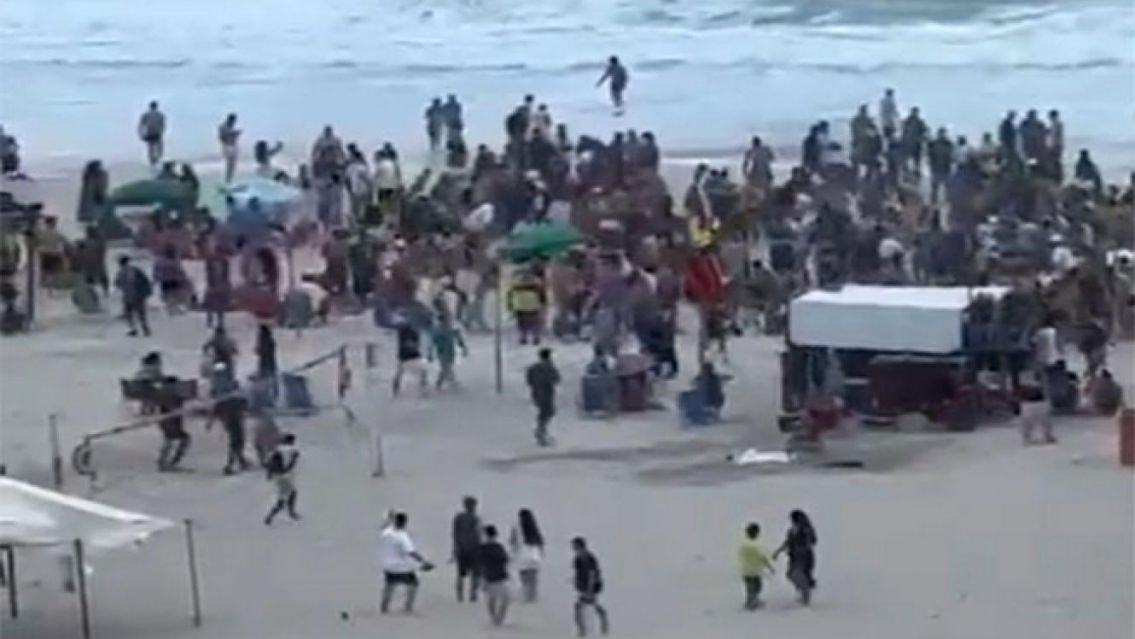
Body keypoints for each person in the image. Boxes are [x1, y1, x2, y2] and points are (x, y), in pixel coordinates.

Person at [380, 512, 433, 614]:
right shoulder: (403, 536)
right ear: (404, 523)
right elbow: (411, 552)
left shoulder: (387, 533)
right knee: (413, 584)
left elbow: (384, 527)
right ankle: (408, 607)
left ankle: (384, 606)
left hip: (388, 566)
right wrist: (424, 562)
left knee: (389, 585)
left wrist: (389, 518)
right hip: (401, 567)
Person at [773, 509, 817, 606]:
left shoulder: (807, 530)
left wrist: (804, 545)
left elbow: (812, 542)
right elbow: (788, 542)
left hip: (804, 557)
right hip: (794, 557)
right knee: (790, 575)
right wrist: (778, 551)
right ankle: (804, 590)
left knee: (798, 575)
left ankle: (806, 597)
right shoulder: (792, 530)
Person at [211, 373, 250, 475]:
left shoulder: (222, 401)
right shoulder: (239, 399)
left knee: (237, 442)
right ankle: (230, 465)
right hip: (235, 423)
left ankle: (241, 461)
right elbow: (246, 409)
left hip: (228, 423)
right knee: (237, 443)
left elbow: (215, 411)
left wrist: (210, 423)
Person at [571, 537, 609, 637]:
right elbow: (577, 573)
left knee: (583, 606)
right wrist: (576, 582)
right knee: (582, 606)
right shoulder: (577, 559)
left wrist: (589, 590)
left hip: (593, 586)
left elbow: (592, 575)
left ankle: (585, 629)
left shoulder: (589, 558)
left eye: (575, 547)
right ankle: (583, 629)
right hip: (584, 586)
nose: (574, 550)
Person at [509, 508, 545, 603]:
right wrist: (541, 554)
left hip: (522, 555)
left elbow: (512, 541)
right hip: (534, 555)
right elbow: (540, 542)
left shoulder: (516, 527)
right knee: (533, 580)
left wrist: (513, 553)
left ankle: (526, 597)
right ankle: (532, 598)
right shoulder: (533, 527)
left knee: (524, 580)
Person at [526, 348, 560, 446]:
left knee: (544, 412)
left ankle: (541, 431)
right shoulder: (549, 367)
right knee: (548, 412)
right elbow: (556, 379)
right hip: (547, 392)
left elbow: (529, 379)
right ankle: (541, 432)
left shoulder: (534, 367)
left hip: (536, 392)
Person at [451, 496, 483, 603]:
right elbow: (479, 535)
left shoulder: (458, 518)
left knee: (460, 574)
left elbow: (454, 534)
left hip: (462, 548)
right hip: (474, 549)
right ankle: (473, 596)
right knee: (475, 574)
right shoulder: (476, 518)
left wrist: (455, 548)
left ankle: (460, 597)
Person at [263, 433, 300, 524]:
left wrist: (269, 473)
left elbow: (268, 462)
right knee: (284, 498)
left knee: (291, 493)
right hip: (284, 476)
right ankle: (270, 517)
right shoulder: (292, 450)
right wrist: (293, 460)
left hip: (277, 476)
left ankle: (291, 513)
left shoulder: (277, 449)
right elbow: (291, 464)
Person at [155, 376, 190, 471]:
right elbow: (172, 408)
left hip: (167, 421)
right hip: (170, 421)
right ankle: (169, 463)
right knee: (179, 439)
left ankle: (164, 462)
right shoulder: (171, 394)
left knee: (170, 440)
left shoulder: (164, 393)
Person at [479, 525, 511, 627]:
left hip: (488, 576)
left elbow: (480, 563)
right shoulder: (498, 547)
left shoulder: (482, 548)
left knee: (491, 599)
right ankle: (499, 618)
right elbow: (506, 559)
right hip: (500, 576)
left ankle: (494, 618)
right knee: (505, 598)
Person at [738, 522, 775, 610]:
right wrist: (769, 567)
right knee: (756, 587)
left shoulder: (744, 544)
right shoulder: (755, 545)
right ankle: (751, 603)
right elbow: (762, 558)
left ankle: (751, 601)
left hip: (746, 571)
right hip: (754, 571)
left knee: (751, 587)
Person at [114, 255, 152, 337]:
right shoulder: (135, 270)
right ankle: (145, 329)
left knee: (129, 314)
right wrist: (147, 291)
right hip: (138, 295)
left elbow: (117, 283)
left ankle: (133, 329)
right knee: (141, 313)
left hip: (128, 296)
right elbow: (145, 280)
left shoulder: (120, 272)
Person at [429, 314, 467, 390]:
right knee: (445, 368)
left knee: (447, 367)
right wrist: (429, 353)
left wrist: (463, 348)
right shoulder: (437, 330)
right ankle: (442, 383)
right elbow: (432, 342)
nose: (446, 322)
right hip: (442, 352)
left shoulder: (451, 329)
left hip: (450, 351)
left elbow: (459, 339)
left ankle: (445, 382)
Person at [392, 319, 428, 396]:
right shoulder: (406, 331)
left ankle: (423, 388)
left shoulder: (408, 330)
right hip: (407, 355)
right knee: (400, 372)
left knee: (401, 372)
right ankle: (423, 389)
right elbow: (409, 344)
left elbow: (415, 344)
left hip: (407, 355)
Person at [138, 101, 166, 169]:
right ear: (156, 106)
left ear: (150, 107)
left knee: (151, 148)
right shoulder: (160, 115)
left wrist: (141, 134)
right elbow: (163, 125)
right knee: (158, 148)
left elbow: (141, 125)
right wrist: (161, 132)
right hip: (157, 133)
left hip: (150, 133)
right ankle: (157, 159)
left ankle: (152, 161)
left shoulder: (146, 115)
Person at [218, 113, 241, 183]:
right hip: (227, 147)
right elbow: (221, 138)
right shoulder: (222, 127)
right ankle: (227, 181)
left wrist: (235, 135)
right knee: (229, 165)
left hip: (233, 147)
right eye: (234, 121)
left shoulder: (231, 127)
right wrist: (232, 134)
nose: (234, 123)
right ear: (230, 120)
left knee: (232, 166)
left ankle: (229, 181)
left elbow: (232, 138)